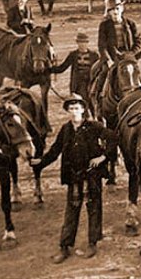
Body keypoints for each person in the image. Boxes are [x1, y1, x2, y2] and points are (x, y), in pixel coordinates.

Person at [29, 94, 114, 263]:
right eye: (71, 108)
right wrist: (40, 162)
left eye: (77, 108)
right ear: (68, 111)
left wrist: (102, 158)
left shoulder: (94, 127)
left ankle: (92, 243)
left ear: (83, 110)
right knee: (71, 211)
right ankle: (65, 246)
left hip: (92, 176)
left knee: (94, 208)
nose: (74, 111)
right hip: (74, 176)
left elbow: (113, 139)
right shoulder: (66, 129)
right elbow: (55, 150)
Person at [51, 30, 100, 112]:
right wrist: (50, 69)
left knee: (94, 107)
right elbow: (62, 67)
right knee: (81, 107)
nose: (82, 45)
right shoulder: (73, 55)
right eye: (80, 42)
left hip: (91, 84)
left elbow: (99, 69)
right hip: (78, 85)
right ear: (77, 43)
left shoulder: (94, 55)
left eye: (84, 42)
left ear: (87, 43)